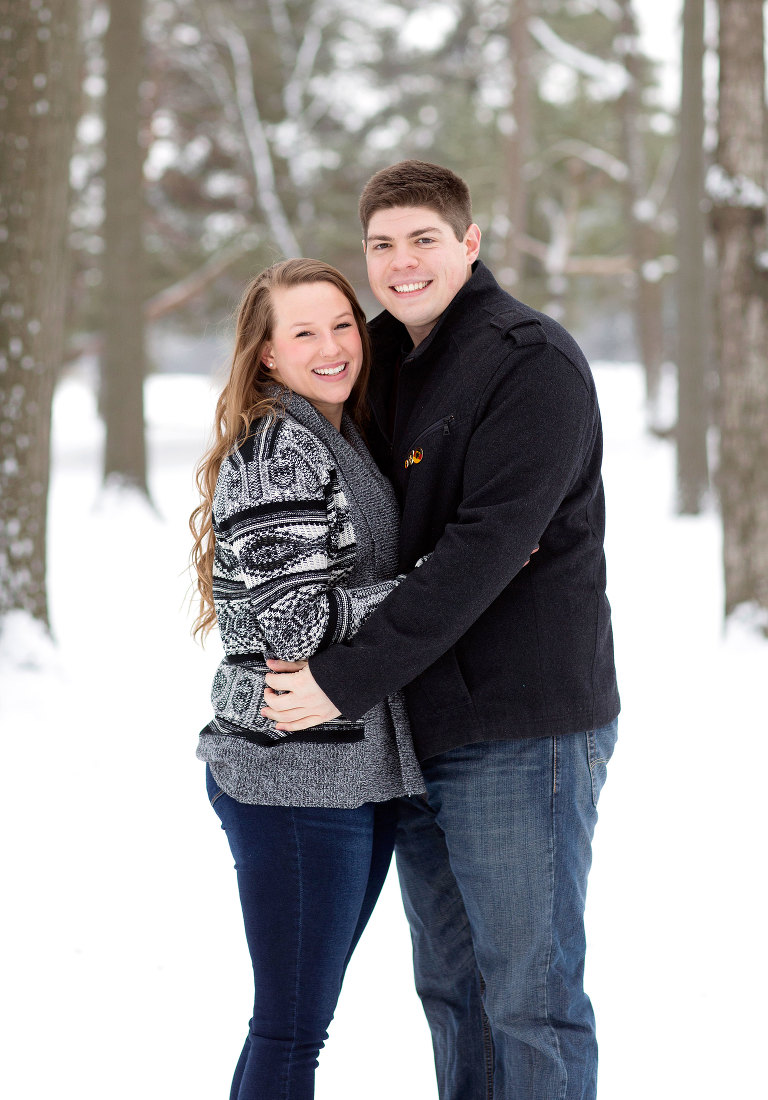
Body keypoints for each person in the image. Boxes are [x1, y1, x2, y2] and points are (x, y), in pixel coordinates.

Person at [261, 161, 621, 1099]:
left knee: (530, 1002)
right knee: (453, 995)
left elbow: (483, 551)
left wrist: (343, 677)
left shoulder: (528, 361)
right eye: (381, 245)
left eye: (423, 239)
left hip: (519, 726)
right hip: (419, 726)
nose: (400, 262)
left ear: (468, 243)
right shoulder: (377, 363)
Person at [189, 257, 425, 1100]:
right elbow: (292, 621)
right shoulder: (277, 447)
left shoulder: (337, 430)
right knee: (291, 1030)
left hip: (345, 771)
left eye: (341, 325)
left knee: (293, 1026)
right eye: (303, 333)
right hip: (292, 778)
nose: (332, 346)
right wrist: (435, 582)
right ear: (267, 356)